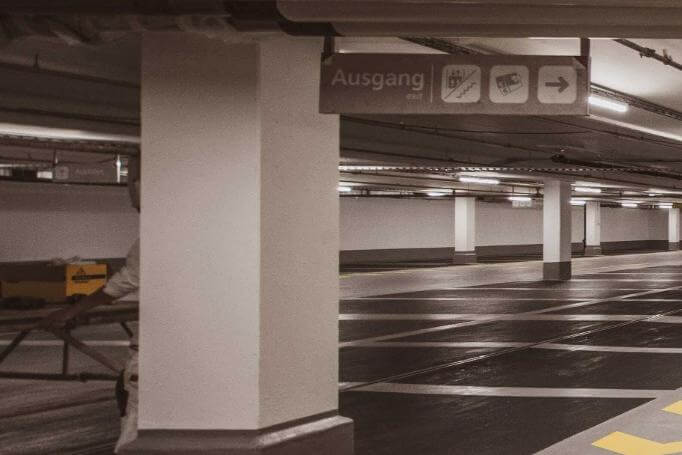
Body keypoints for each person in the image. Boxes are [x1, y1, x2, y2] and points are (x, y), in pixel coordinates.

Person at [41, 155, 141, 453]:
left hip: (152, 356)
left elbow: (121, 284)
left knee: (134, 427)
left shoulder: (155, 239)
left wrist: (71, 311)